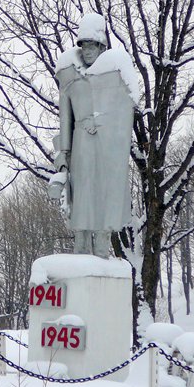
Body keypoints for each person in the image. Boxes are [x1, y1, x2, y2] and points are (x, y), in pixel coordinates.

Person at [51, 13, 138, 258]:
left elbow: (124, 113)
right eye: (85, 45)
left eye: (93, 45)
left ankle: (102, 246)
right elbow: (65, 118)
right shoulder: (70, 77)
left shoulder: (117, 74)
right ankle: (81, 246)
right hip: (80, 144)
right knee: (82, 193)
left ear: (102, 46)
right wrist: (62, 153)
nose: (88, 51)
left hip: (109, 146)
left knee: (106, 191)